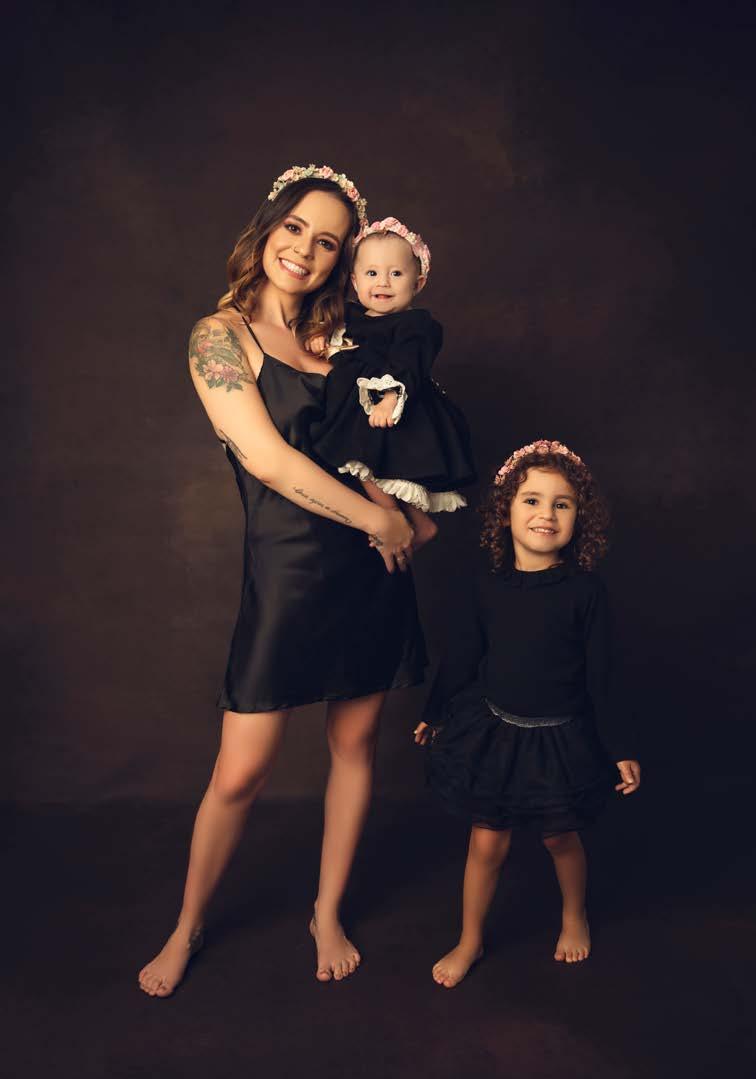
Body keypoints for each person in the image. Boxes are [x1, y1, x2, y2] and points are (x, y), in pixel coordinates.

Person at [138, 164, 427, 997]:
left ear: (342, 259)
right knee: (240, 774)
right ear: (269, 227)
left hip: (371, 575)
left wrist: (403, 511)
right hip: (289, 574)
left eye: (328, 241)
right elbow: (266, 459)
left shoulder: (350, 341)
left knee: (355, 748)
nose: (306, 249)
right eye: (296, 227)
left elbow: (389, 442)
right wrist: (376, 518)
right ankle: (188, 925)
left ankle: (326, 912)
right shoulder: (218, 337)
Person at [414, 439, 641, 988]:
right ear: (506, 511)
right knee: (486, 842)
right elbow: (463, 657)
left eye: (562, 504)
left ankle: (574, 915)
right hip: (495, 732)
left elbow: (603, 676)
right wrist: (435, 711)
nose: (546, 514)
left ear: (579, 518)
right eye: (532, 500)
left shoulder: (585, 592)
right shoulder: (487, 587)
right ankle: (470, 939)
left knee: (560, 838)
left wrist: (621, 747)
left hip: (559, 737)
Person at [309, 216, 476, 549]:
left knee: (364, 463)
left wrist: (390, 399)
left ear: (419, 282)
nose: (383, 283)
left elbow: (409, 364)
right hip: (356, 406)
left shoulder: (415, 326)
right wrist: (322, 339)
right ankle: (413, 522)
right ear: (355, 280)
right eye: (371, 273)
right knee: (368, 465)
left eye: (396, 274)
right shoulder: (350, 315)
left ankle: (394, 521)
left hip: (392, 405)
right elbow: (336, 338)